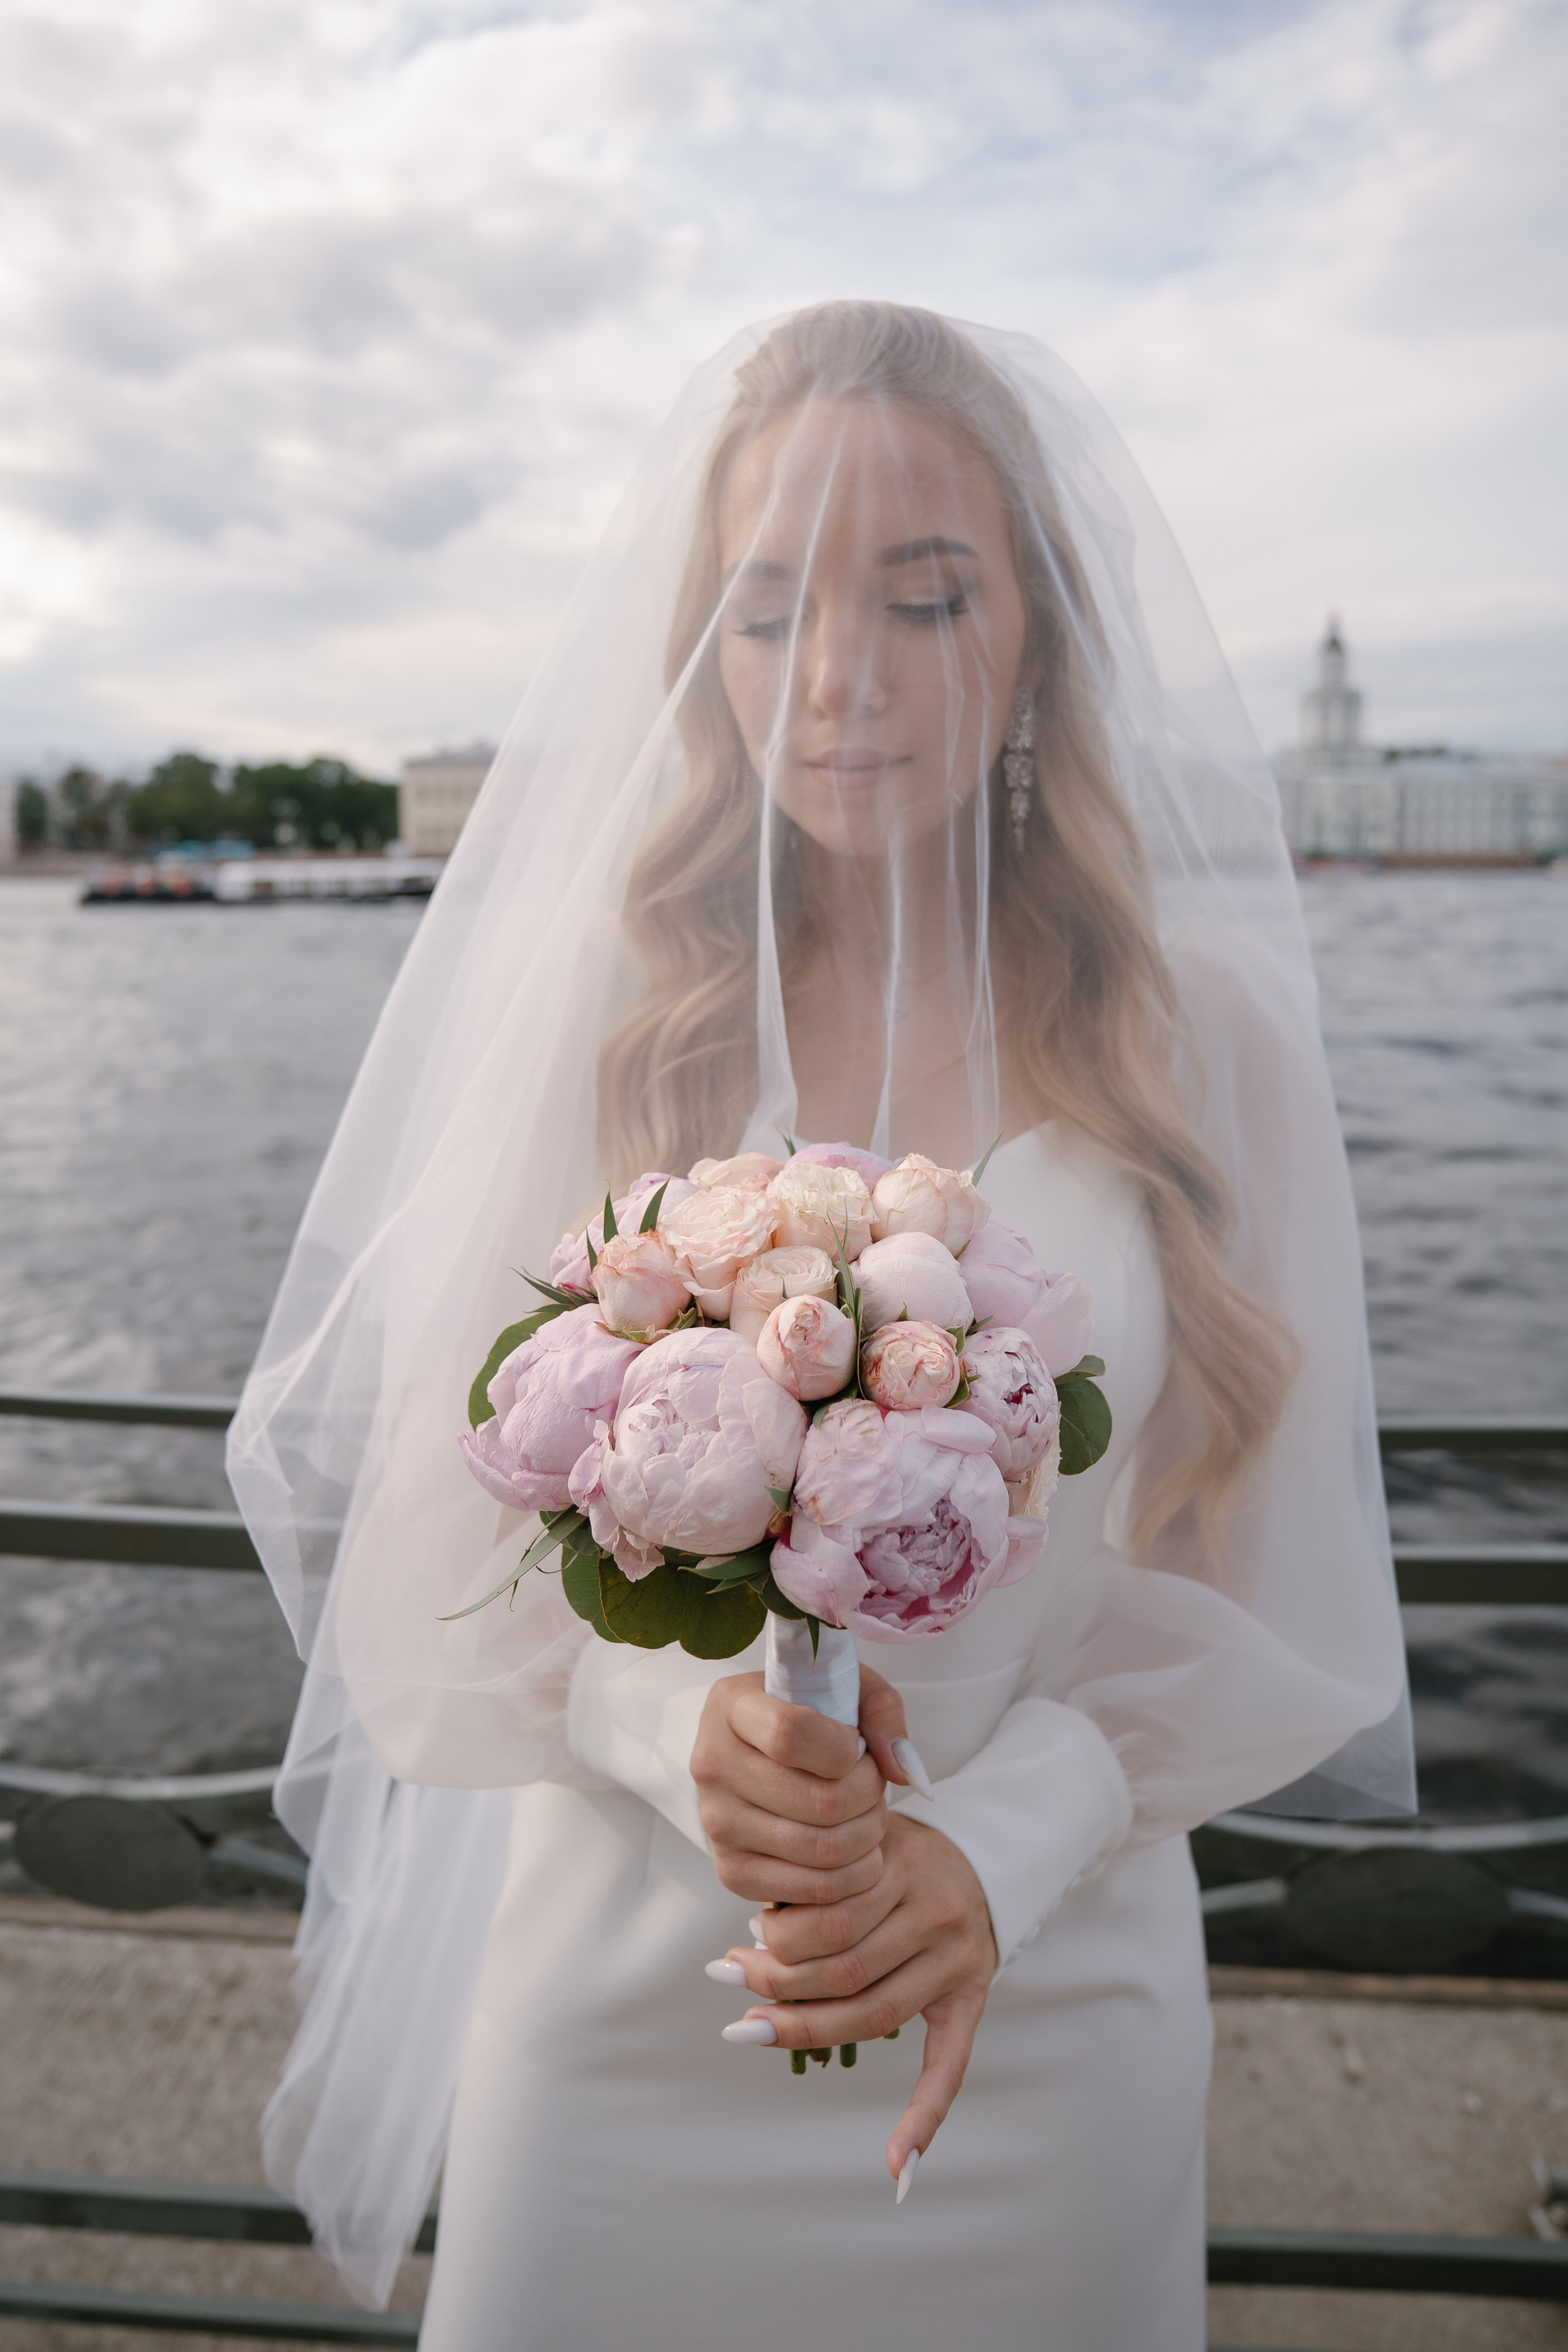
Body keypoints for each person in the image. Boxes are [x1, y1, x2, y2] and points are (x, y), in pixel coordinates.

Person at [228, 303, 1414, 2351]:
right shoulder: (611, 1016)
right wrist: (665, 1722)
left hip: (1045, 2002)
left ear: (1035, 630)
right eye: (769, 613)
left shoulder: (1202, 1042)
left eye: (926, 598)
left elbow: (1278, 1595)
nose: (840, 683)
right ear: (705, 650)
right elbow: (431, 1558)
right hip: (629, 1993)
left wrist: (995, 1845)